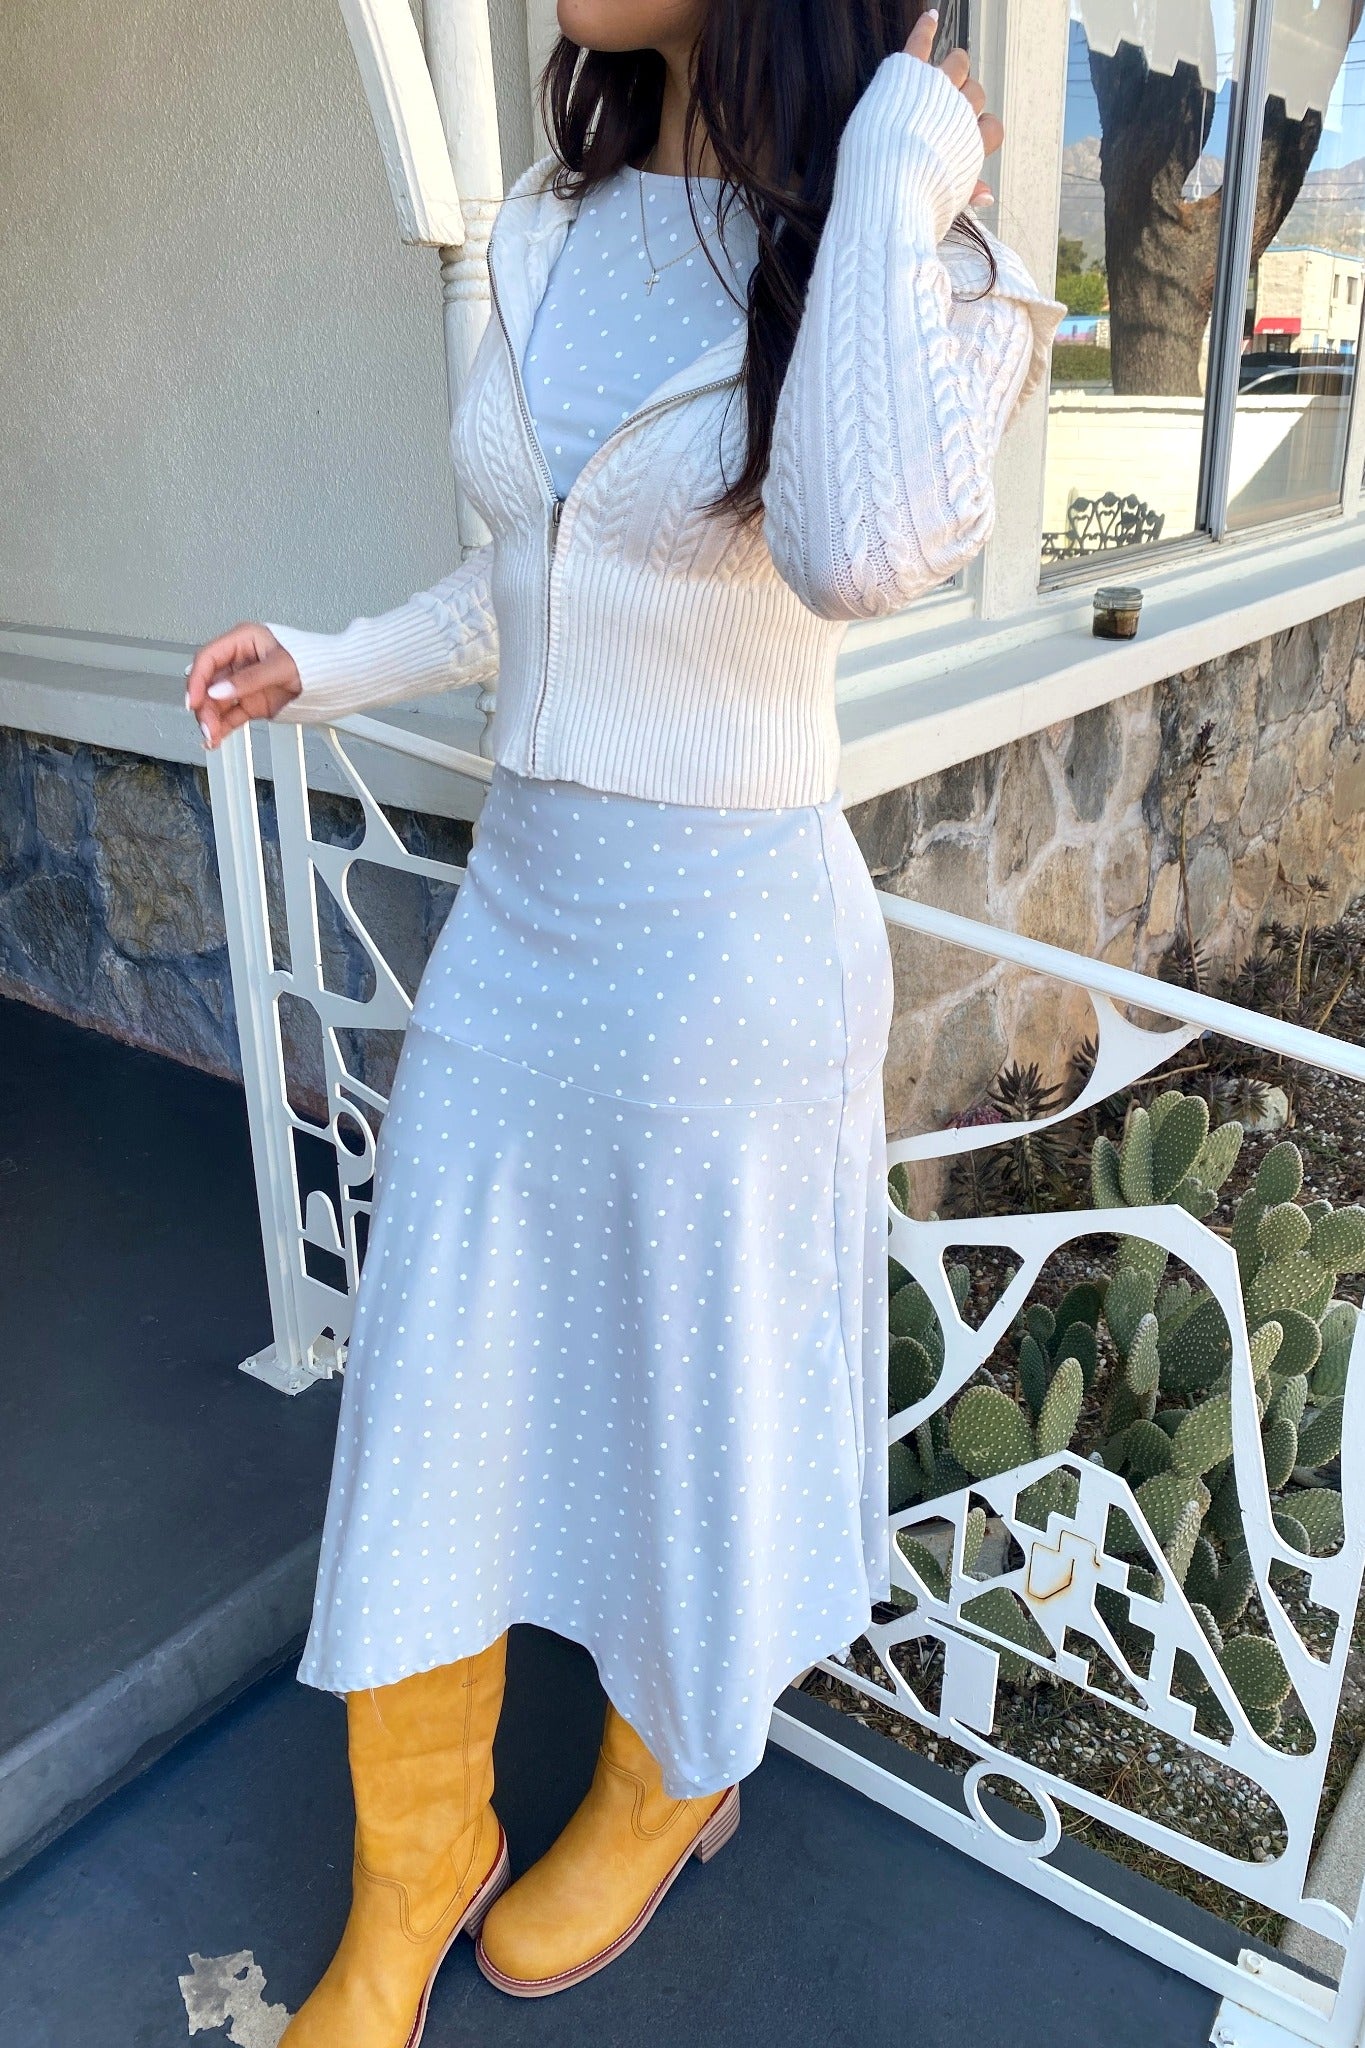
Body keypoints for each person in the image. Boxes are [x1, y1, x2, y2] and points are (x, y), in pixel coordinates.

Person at [185, 2, 1063, 2041]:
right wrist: (330, 659)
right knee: (433, 1382)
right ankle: (415, 1860)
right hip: (522, 921)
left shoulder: (927, 268)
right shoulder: (543, 221)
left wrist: (894, 155)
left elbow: (855, 550)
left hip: (728, 959)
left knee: (693, 1399)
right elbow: (536, 563)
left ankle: (672, 1773)